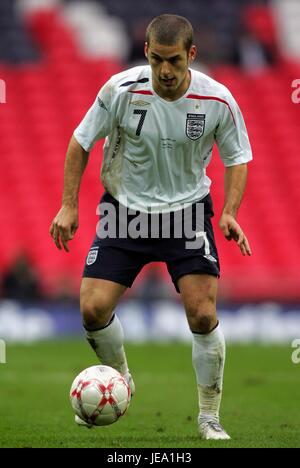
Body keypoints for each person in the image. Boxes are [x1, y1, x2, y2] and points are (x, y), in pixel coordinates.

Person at [50, 14, 252, 440]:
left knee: (202, 314)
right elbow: (80, 141)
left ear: (191, 56)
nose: (165, 70)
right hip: (124, 211)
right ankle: (122, 380)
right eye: (157, 59)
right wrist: (69, 205)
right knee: (92, 308)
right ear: (146, 52)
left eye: (174, 61)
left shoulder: (217, 99)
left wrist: (230, 211)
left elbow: (238, 157)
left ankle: (209, 417)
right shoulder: (120, 91)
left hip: (187, 212)